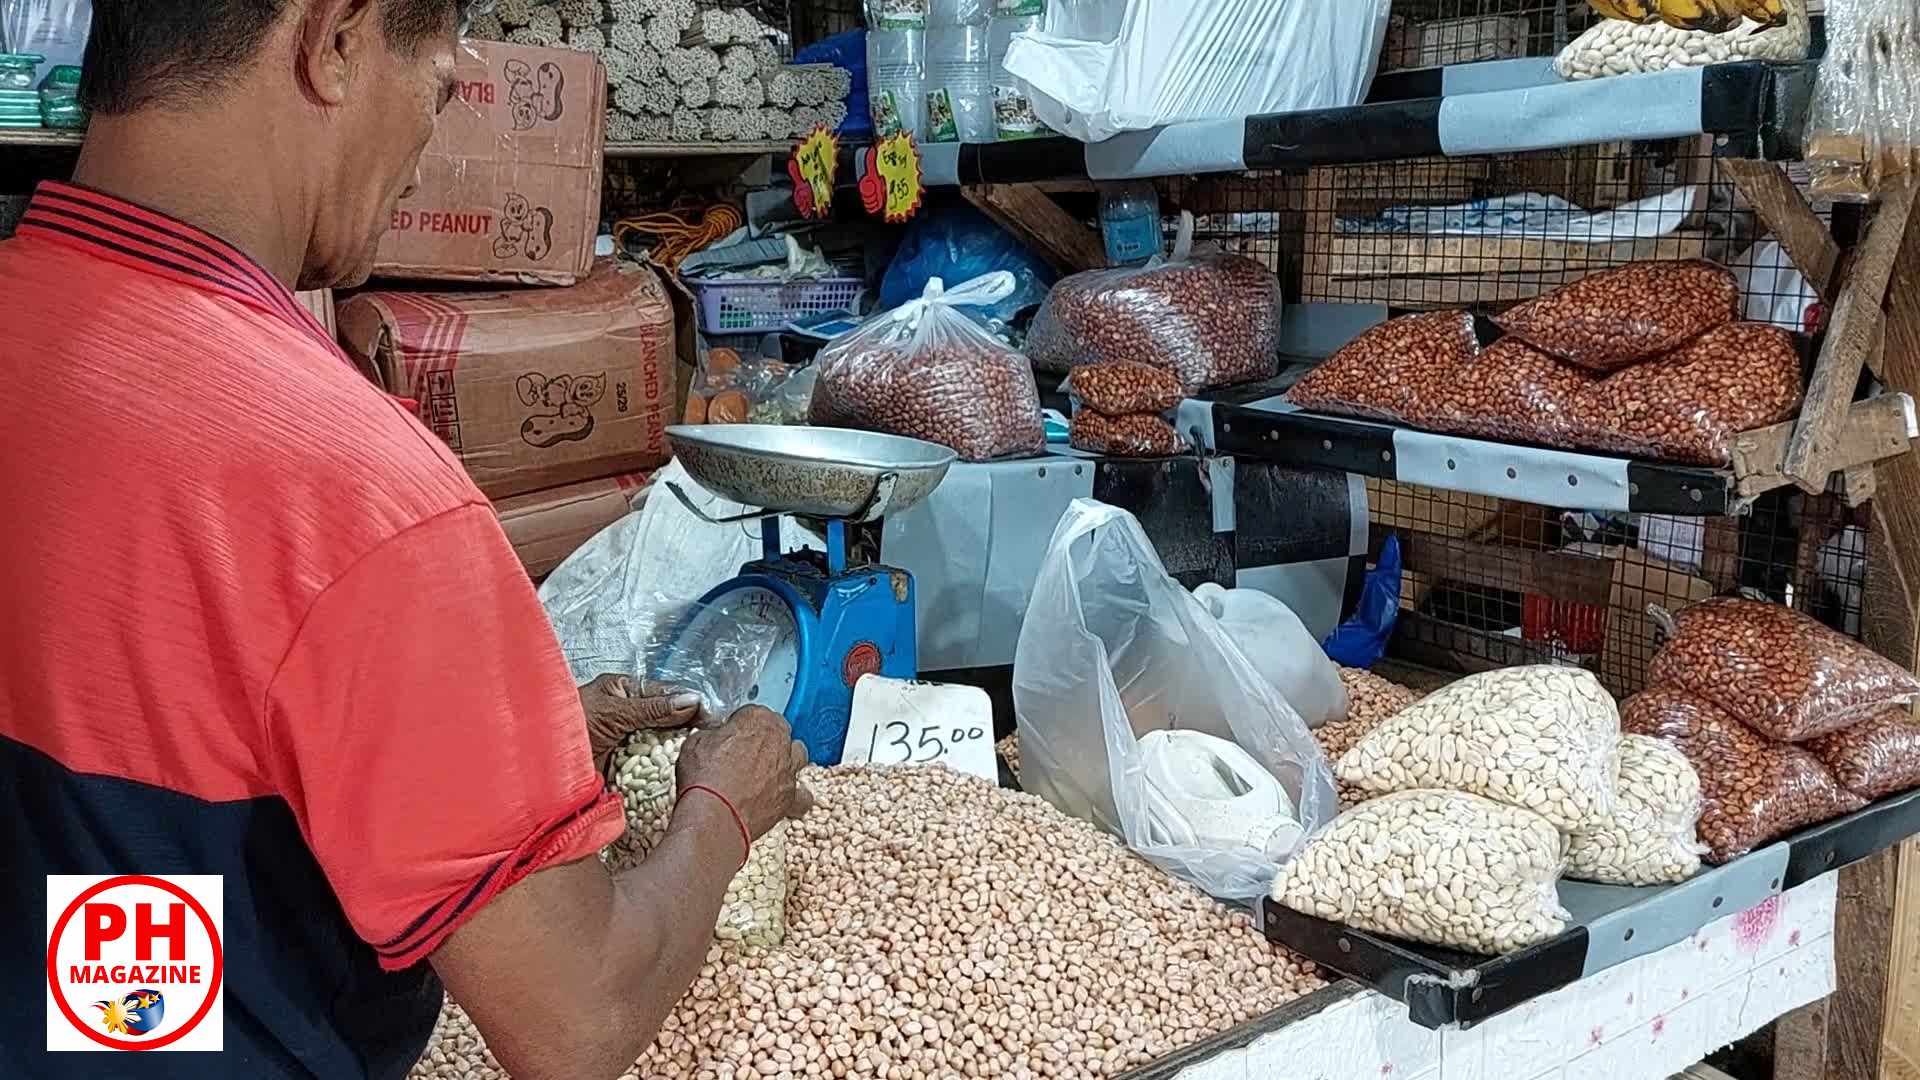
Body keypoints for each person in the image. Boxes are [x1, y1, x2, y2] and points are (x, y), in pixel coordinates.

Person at [0, 2, 810, 1078]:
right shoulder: (353, 487)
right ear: (334, 42)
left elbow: (148, 722)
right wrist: (722, 806)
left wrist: (479, 749)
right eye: (435, 91)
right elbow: (576, 1017)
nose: (424, 164)